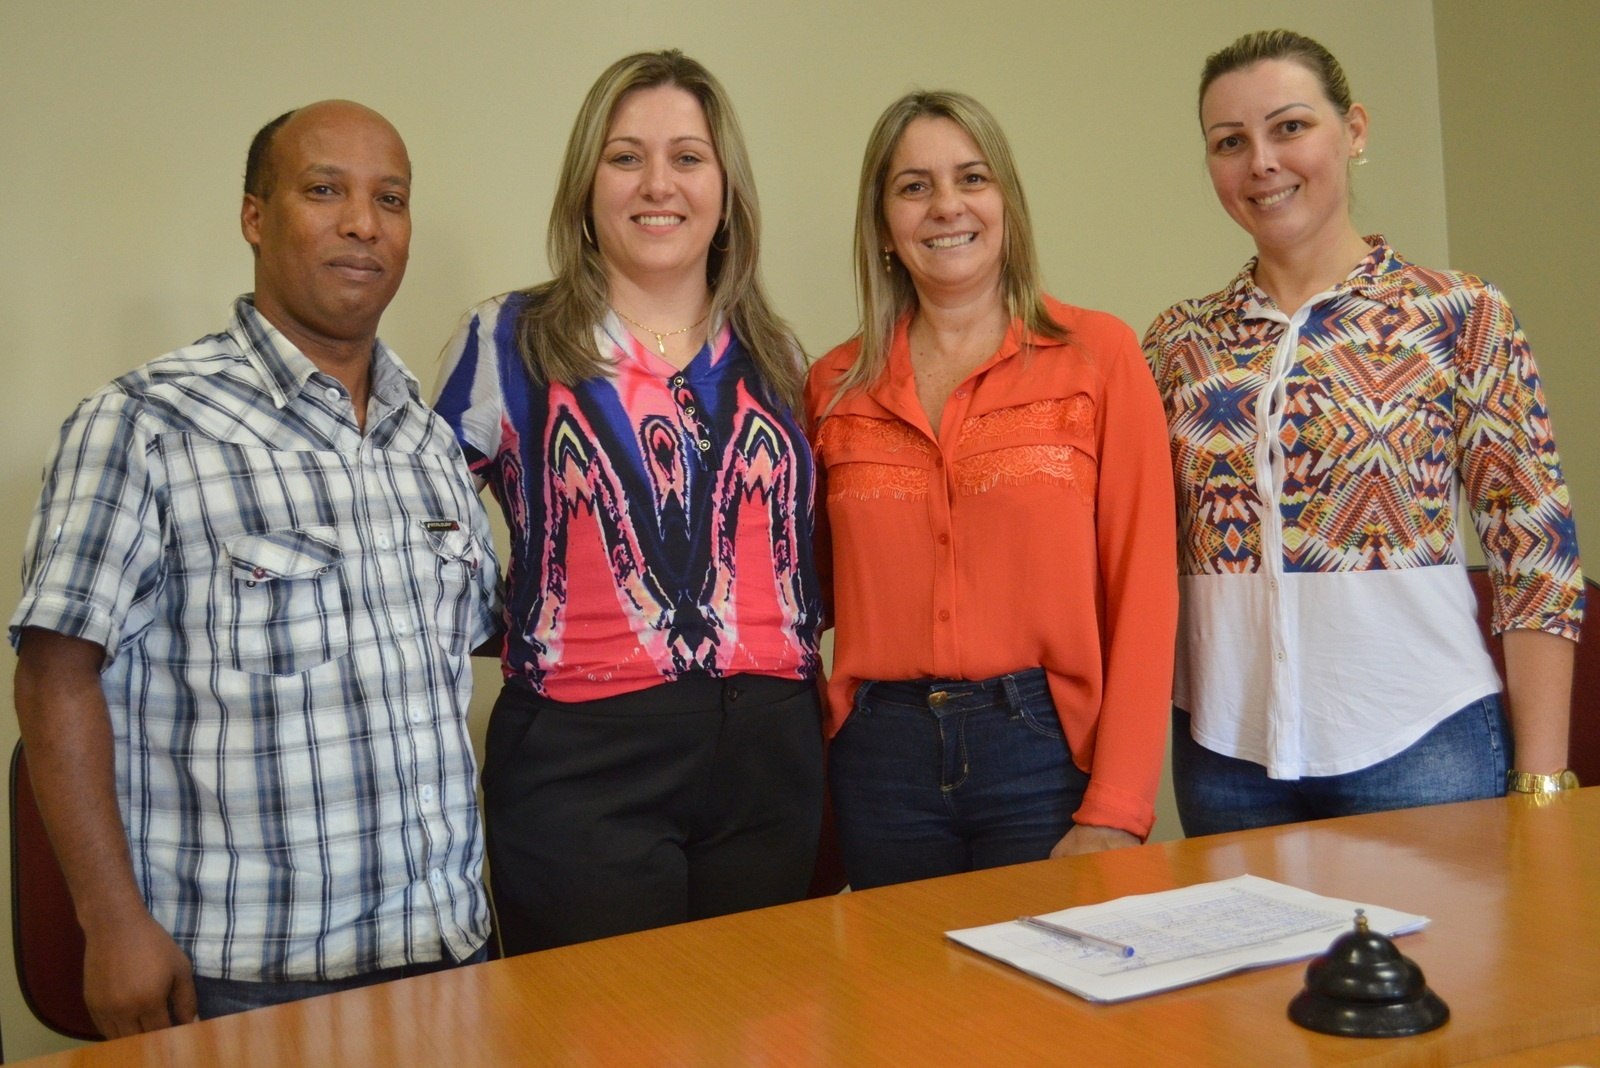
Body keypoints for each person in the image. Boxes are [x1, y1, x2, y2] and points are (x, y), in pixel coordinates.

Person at [10, 100, 500, 1033]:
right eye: (325, 190)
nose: (364, 222)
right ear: (254, 217)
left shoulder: (429, 443)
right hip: (250, 981)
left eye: (390, 199)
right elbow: (52, 679)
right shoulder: (144, 424)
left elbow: (471, 634)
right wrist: (110, 924)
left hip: (450, 957)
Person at [1143, 30, 1585, 836]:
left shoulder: (1460, 313)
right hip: (1227, 756)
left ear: (1353, 132)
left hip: (1422, 744)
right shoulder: (1179, 342)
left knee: (1450, 969)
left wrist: (1543, 782)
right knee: (1255, 970)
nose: (1262, 163)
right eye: (1229, 142)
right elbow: (1137, 546)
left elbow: (1534, 549)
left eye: (1290, 127)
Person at [433, 50, 823, 953]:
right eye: (625, 157)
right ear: (586, 185)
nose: (658, 184)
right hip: (585, 763)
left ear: (726, 189)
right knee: (603, 1035)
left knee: (763, 1024)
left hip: (771, 762)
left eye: (687, 157)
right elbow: (416, 538)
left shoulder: (782, 357)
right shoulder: (506, 338)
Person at [804, 91, 1177, 890]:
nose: (946, 206)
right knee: (898, 1010)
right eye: (913, 186)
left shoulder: (1098, 357)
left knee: (1039, 1011)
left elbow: (1144, 593)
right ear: (882, 226)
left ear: (1005, 200)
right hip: (877, 758)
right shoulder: (832, 385)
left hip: (1041, 749)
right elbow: (802, 603)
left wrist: (1117, 805)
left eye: (971, 178)